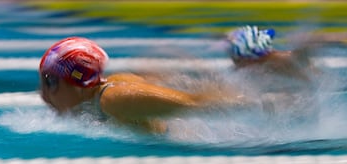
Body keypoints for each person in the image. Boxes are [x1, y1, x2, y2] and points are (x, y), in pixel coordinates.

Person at [39, 37, 249, 134]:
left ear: (78, 83)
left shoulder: (115, 99)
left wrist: (256, 104)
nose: (44, 95)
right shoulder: (97, 98)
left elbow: (195, 104)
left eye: (50, 82)